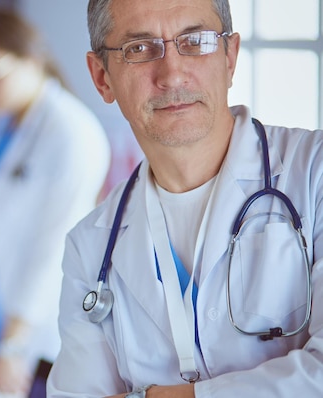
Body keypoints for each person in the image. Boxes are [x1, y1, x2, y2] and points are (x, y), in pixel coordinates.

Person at [47, 0, 323, 397]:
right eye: (139, 48)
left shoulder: (313, 172)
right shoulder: (89, 246)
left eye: (195, 41)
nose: (173, 74)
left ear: (230, 57)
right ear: (102, 77)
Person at [0, 8, 111, 395]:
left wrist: (14, 345)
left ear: (31, 60)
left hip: (33, 342)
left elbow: (53, 247)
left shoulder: (71, 132)